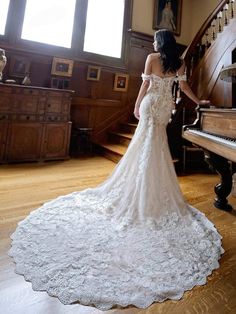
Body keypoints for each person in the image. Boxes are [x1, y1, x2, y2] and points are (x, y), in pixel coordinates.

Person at [9, 29, 224, 311]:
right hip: (164, 109)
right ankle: (150, 189)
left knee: (145, 145)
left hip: (150, 106)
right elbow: (183, 90)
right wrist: (200, 103)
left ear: (159, 44)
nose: (154, 44)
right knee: (156, 146)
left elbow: (145, 87)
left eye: (156, 40)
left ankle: (141, 187)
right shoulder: (179, 63)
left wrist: (136, 105)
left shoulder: (150, 57)